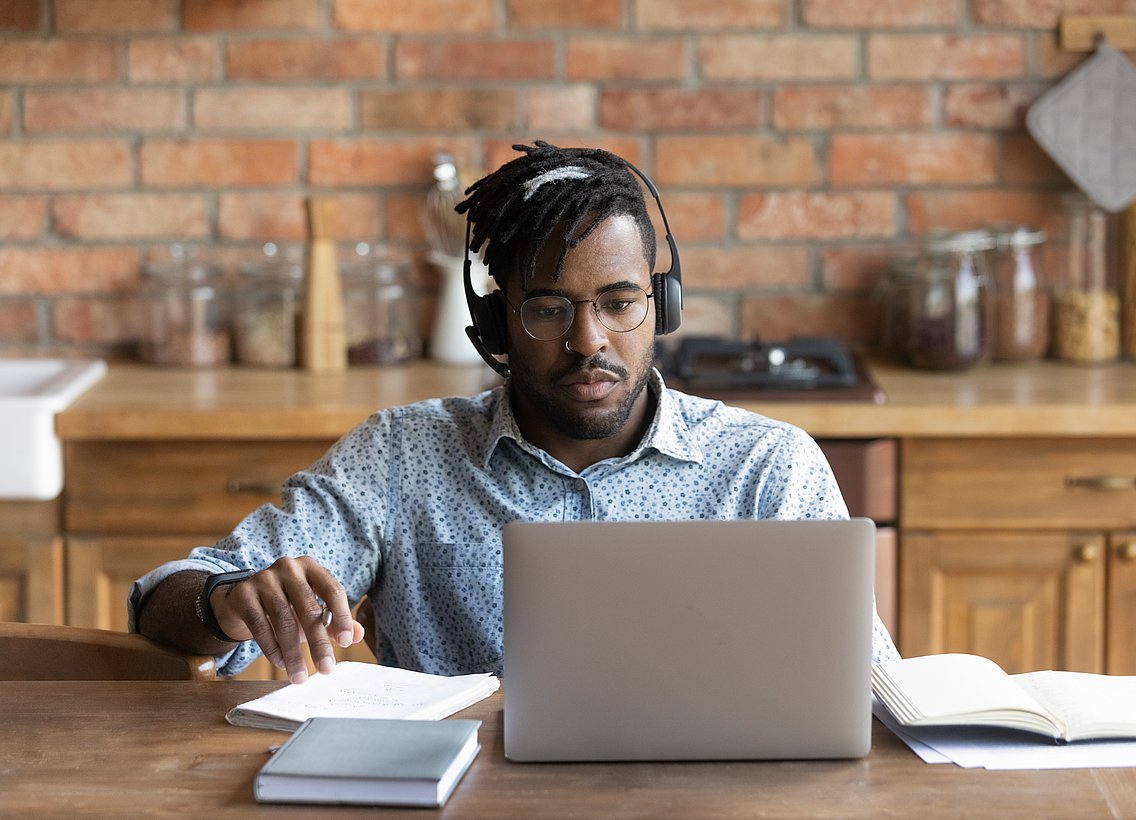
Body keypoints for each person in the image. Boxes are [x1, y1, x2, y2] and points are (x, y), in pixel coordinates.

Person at [131, 141, 899, 684]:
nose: (587, 340)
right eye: (548, 309)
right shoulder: (401, 456)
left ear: (658, 306)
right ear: (497, 325)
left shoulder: (767, 467)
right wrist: (226, 601)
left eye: (619, 303)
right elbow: (166, 597)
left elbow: (860, 684)